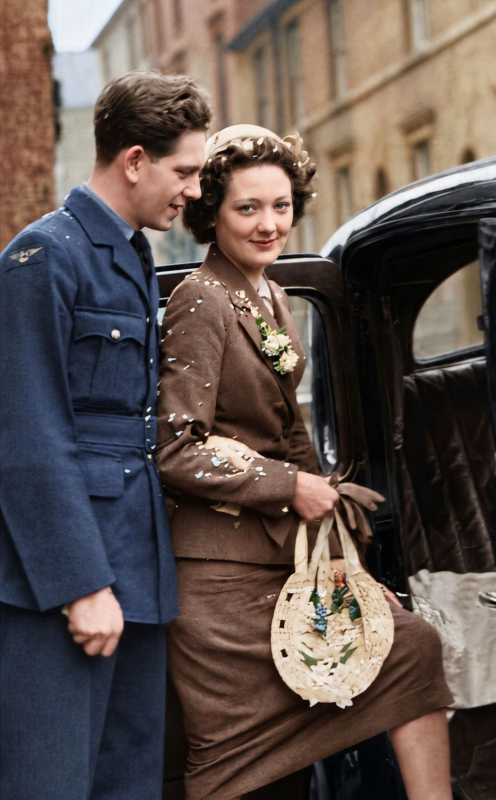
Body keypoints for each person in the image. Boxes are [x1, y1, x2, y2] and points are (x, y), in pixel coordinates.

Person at [155, 125, 454, 800]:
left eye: (281, 206)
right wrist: (290, 486)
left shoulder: (272, 295)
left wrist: (348, 568)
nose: (269, 225)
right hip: (222, 590)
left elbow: (291, 437)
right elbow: (176, 449)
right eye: (248, 208)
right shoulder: (200, 299)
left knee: (411, 648)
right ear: (212, 213)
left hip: (281, 565)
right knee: (248, 775)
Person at [0, 70, 211, 799]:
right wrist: (81, 584)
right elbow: (28, 435)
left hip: (134, 566)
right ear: (134, 160)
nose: (193, 191)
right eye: (183, 172)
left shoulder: (127, 252)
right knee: (52, 782)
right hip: (62, 580)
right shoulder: (43, 257)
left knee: (129, 782)